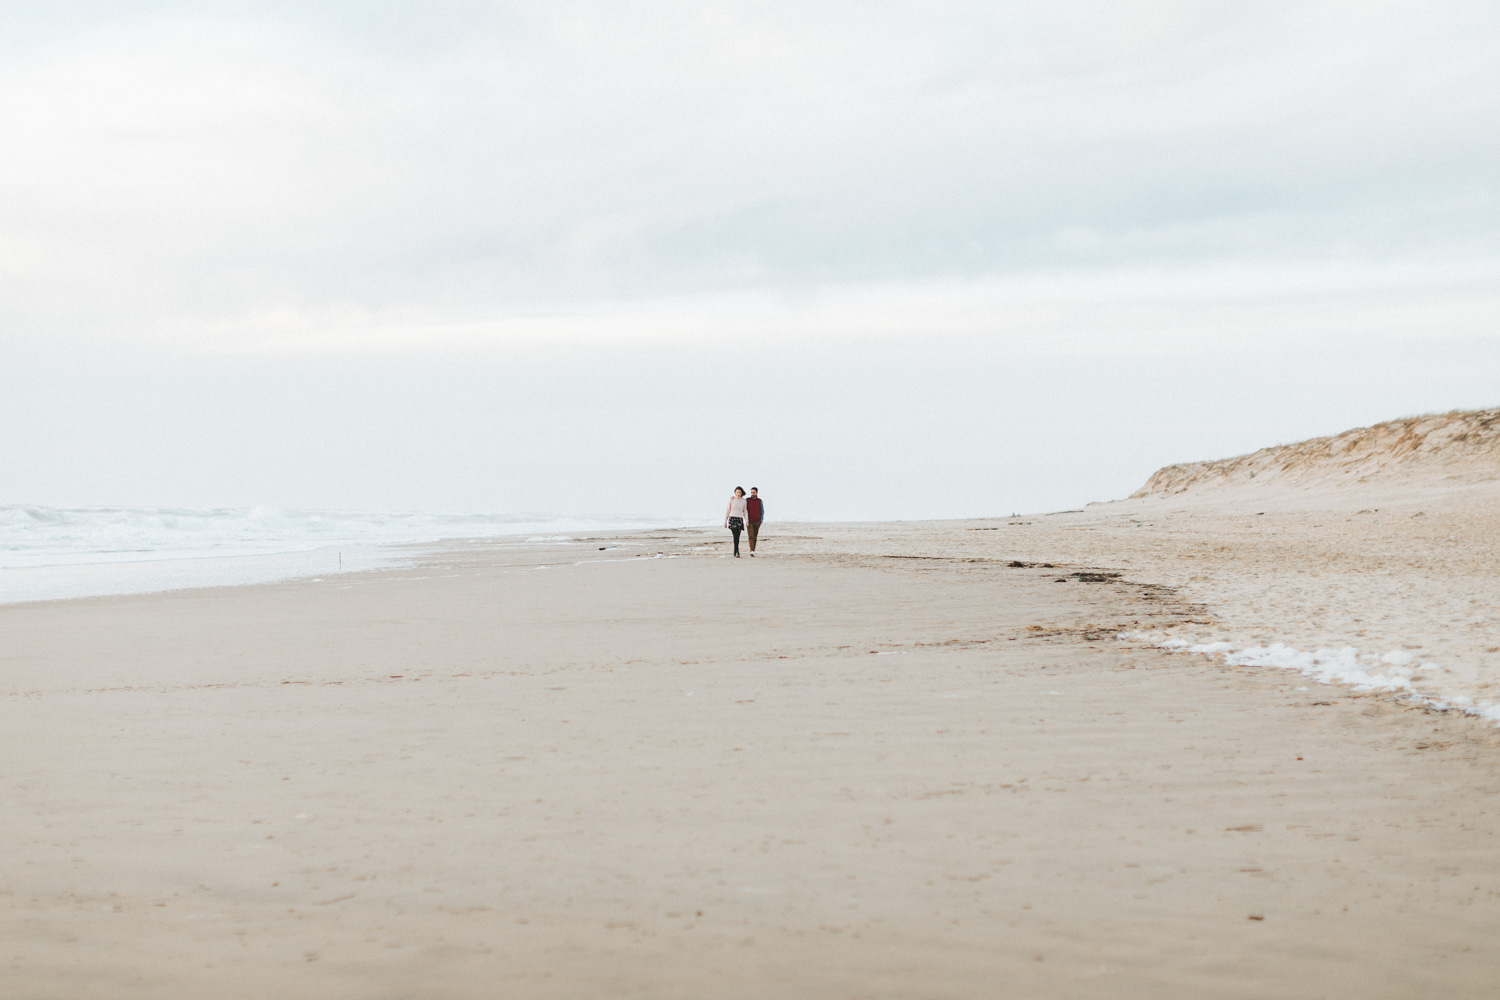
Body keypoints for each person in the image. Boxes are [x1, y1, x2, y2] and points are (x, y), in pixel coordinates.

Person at [724, 486, 749, 558]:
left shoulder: (744, 501)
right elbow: (728, 510)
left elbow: (745, 511)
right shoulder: (731, 500)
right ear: (735, 492)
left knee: (738, 536)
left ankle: (736, 551)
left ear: (742, 493)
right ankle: (737, 551)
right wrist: (725, 521)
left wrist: (746, 521)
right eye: (737, 492)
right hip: (732, 519)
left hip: (739, 519)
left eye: (740, 492)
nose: (738, 493)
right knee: (735, 535)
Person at [745, 487, 765, 556]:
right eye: (751, 492)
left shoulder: (760, 501)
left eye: (754, 492)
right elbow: (744, 509)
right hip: (749, 521)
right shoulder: (747, 500)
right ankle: (751, 551)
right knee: (751, 536)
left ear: (756, 493)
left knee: (755, 536)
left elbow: (762, 511)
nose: (752, 494)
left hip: (757, 521)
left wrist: (761, 520)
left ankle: (753, 550)